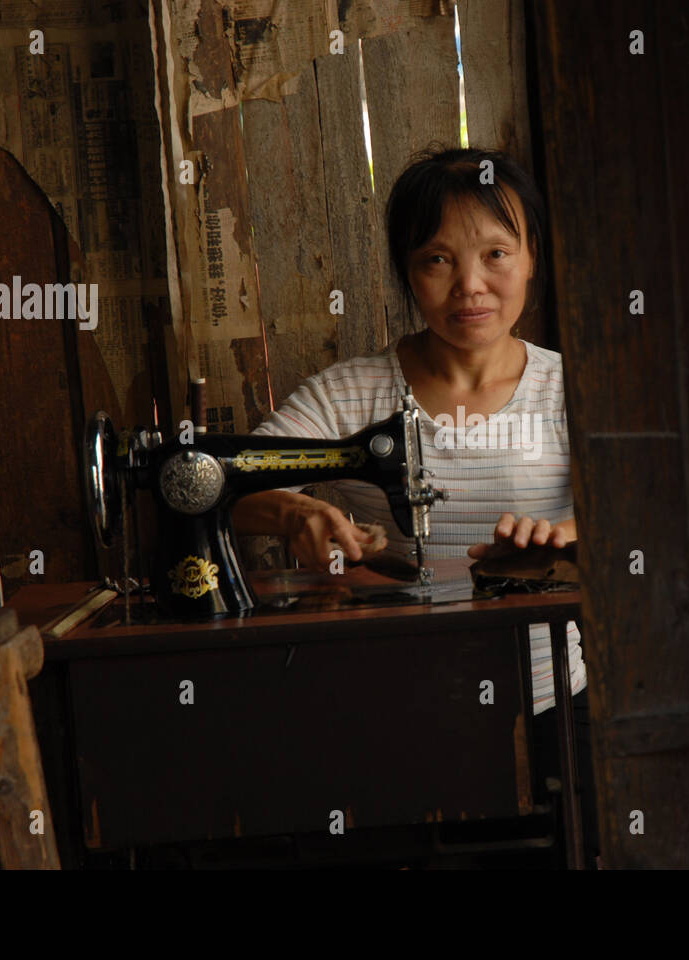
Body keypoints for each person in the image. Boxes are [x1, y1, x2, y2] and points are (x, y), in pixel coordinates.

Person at [231, 146, 599, 869]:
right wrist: (296, 516)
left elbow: (644, 512)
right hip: (388, 711)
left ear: (531, 260)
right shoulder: (355, 394)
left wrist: (559, 542)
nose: (471, 286)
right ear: (407, 271)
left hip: (554, 707)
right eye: (437, 260)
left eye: (496, 253)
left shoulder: (572, 389)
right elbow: (233, 478)